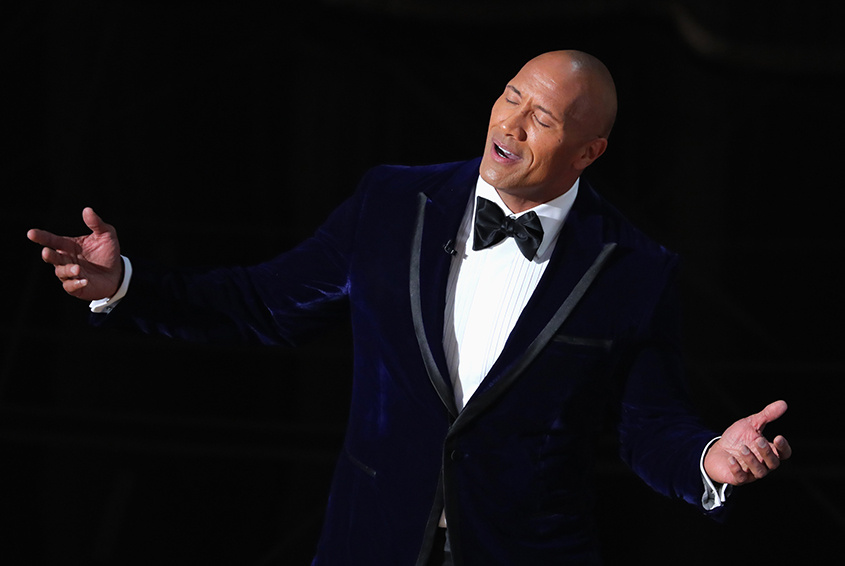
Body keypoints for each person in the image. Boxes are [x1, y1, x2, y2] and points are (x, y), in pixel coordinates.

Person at [28, 50, 791, 565]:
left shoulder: (633, 269)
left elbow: (647, 423)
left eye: (542, 118)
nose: (510, 124)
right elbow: (262, 303)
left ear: (588, 151)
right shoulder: (393, 202)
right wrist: (126, 282)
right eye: (510, 96)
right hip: (371, 542)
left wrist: (705, 460)